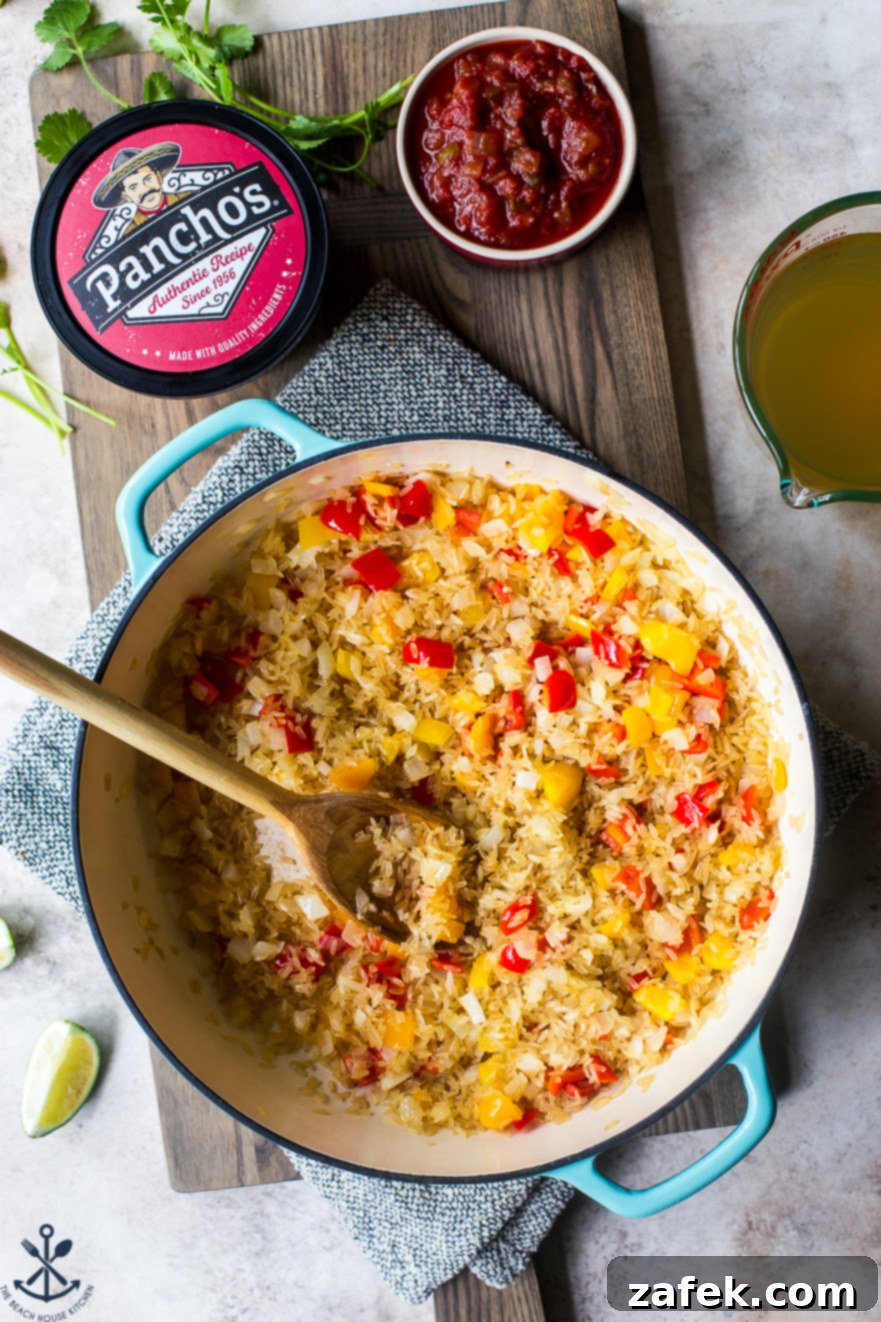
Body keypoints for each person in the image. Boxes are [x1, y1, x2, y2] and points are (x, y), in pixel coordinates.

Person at [91, 142, 187, 236]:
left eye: (148, 179)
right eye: (134, 187)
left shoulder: (187, 197)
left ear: (158, 176)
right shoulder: (130, 234)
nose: (145, 189)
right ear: (126, 196)